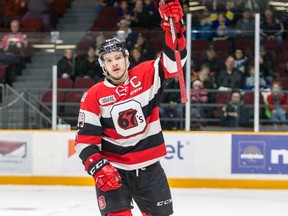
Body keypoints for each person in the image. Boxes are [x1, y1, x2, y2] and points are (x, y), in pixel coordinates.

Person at [74, 0, 187, 215]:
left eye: (118, 57)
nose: (114, 63)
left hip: (150, 169)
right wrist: (97, 167)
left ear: (127, 59)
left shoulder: (147, 74)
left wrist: (176, 29)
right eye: (108, 60)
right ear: (103, 66)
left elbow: (175, 64)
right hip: (114, 170)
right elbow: (84, 142)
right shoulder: (94, 95)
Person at [0, 19, 28, 85]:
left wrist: (17, 42)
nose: (14, 28)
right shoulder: (6, 37)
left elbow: (23, 47)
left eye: (16, 26)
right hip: (6, 56)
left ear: (18, 27)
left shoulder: (22, 36)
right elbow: (2, 46)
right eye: (12, 26)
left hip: (16, 57)